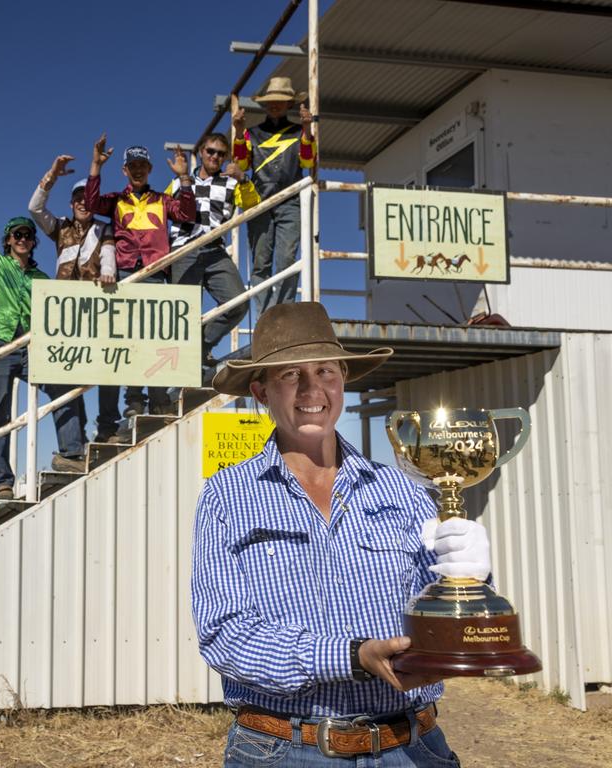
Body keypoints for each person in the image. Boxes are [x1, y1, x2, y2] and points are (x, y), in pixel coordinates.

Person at [192, 301, 491, 766]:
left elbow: (444, 616)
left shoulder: (403, 489)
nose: (312, 390)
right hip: (286, 750)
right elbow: (226, 636)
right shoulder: (225, 498)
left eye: (325, 371)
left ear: (343, 379)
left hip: (412, 746)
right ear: (260, 391)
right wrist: (352, 656)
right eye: (290, 375)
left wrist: (471, 577)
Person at [0, 163, 88, 499]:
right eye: (17, 235)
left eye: (28, 235)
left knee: (65, 384)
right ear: (8, 240)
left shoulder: (42, 279)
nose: (23, 239)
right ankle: (3, 482)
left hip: (32, 344)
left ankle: (72, 452)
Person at [83, 136, 196, 417]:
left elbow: (186, 213)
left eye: (142, 165)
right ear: (124, 170)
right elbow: (91, 203)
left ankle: (158, 399)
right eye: (132, 165)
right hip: (124, 274)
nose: (137, 170)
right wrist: (95, 166)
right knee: (128, 338)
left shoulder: (162, 199)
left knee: (156, 338)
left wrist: (184, 178)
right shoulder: (116, 200)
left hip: (156, 272)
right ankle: (134, 400)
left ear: (150, 168)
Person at [28, 154, 123, 443]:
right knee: (68, 376)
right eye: (77, 198)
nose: (82, 202)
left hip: (96, 308)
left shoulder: (104, 228)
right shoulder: (60, 228)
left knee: (110, 365)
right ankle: (74, 441)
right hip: (65, 314)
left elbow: (109, 253)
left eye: (86, 198)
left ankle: (108, 426)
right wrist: (51, 175)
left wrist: (108, 273)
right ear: (71, 203)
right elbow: (34, 208)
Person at [165, 132, 258, 375]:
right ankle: (173, 376)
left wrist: (243, 178)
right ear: (201, 153)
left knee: (238, 303)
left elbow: (252, 204)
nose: (215, 157)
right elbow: (159, 212)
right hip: (183, 250)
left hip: (215, 250)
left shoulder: (231, 182)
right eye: (210, 151)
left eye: (220, 153)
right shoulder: (177, 183)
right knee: (182, 314)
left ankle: (202, 344)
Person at [231, 76, 317, 313]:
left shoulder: (299, 131)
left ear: (289, 104)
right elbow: (241, 163)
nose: (275, 105)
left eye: (280, 101)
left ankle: (283, 313)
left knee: (287, 260)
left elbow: (308, 160)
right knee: (260, 263)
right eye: (271, 101)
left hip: (290, 202)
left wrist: (308, 129)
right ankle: (265, 317)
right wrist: (238, 133)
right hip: (259, 203)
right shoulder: (251, 133)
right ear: (265, 105)